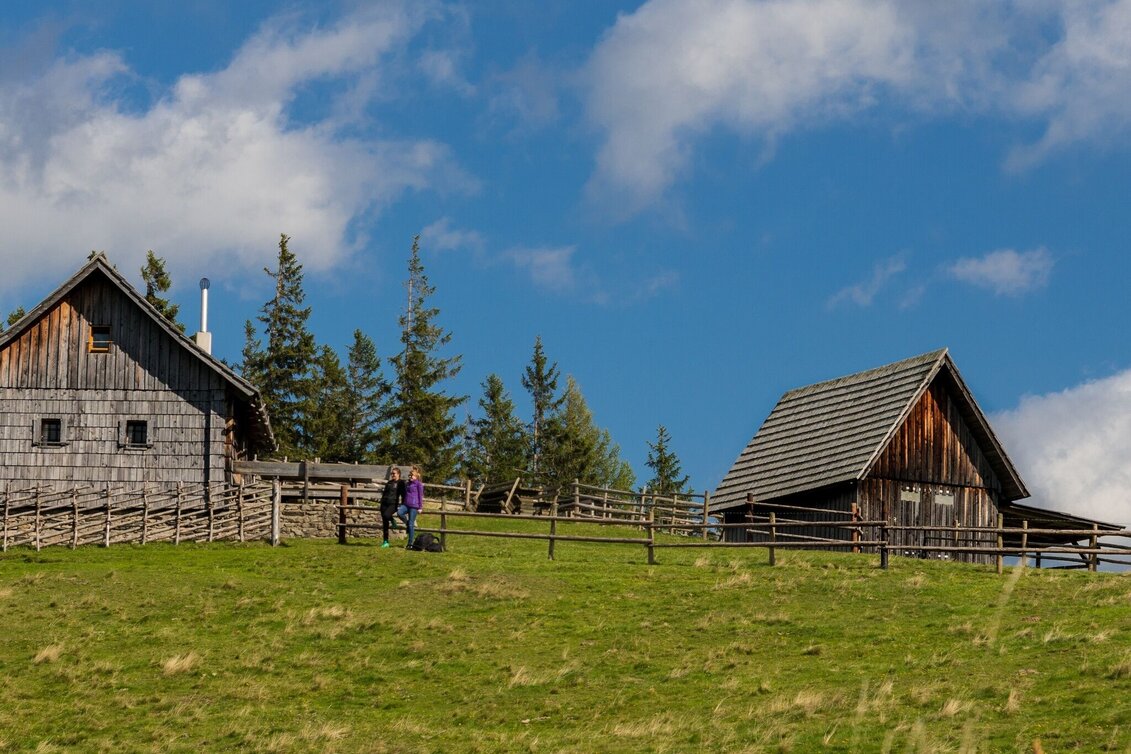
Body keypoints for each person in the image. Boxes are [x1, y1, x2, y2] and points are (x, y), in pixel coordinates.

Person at [397, 466, 424, 549]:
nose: (410, 477)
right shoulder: (408, 484)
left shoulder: (419, 484)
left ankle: (410, 543)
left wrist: (420, 507)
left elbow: (420, 495)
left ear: (416, 476)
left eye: (411, 475)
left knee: (411, 524)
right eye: (409, 475)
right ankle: (407, 523)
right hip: (406, 504)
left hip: (414, 506)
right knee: (399, 513)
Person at [379, 466, 405, 548]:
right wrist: (382, 502)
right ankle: (385, 541)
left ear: (398, 474)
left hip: (393, 504)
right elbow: (385, 493)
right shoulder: (389, 482)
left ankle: (392, 520)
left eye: (394, 473)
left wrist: (403, 505)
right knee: (385, 523)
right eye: (391, 473)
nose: (392, 475)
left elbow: (403, 495)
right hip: (384, 503)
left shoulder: (401, 483)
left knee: (387, 515)